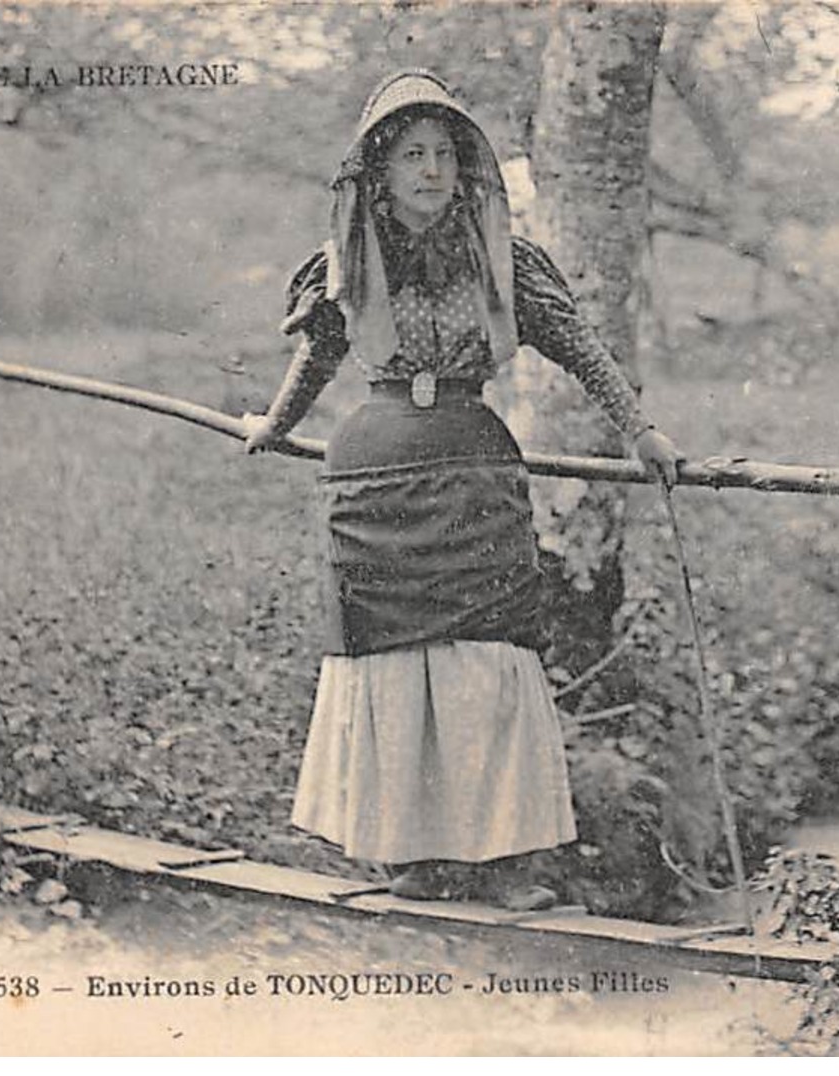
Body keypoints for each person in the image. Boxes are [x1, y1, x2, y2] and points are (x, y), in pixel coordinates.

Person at [242, 71, 682, 912]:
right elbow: (319, 357)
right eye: (412, 154)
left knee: (490, 664)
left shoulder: (502, 262)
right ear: (379, 168)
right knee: (394, 668)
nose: (431, 170)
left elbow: (583, 350)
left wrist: (641, 432)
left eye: (444, 153)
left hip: (474, 468)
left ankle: (506, 862)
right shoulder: (348, 260)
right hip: (372, 478)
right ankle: (411, 857)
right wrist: (273, 422)